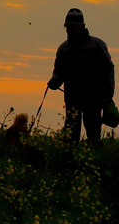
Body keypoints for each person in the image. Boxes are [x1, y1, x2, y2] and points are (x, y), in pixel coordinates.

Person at [47, 7, 115, 143]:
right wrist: (54, 81)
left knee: (93, 133)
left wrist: (108, 96)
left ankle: (93, 157)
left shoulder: (98, 45)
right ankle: (71, 158)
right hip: (73, 98)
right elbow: (58, 71)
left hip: (94, 98)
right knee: (71, 134)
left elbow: (108, 71)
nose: (70, 30)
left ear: (81, 27)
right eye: (68, 27)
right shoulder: (63, 48)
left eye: (73, 27)